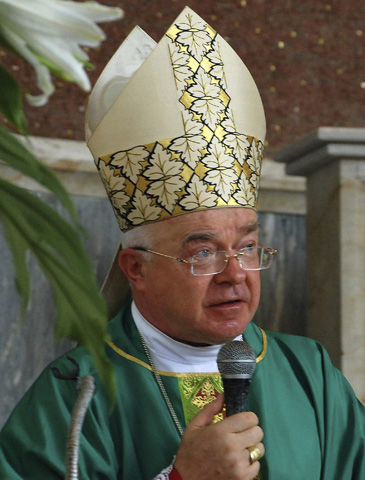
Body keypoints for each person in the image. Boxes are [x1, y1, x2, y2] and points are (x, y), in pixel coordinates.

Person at [0, 7, 364, 480]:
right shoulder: (75, 393)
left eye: (248, 248)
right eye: (204, 253)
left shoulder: (310, 375)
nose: (235, 275)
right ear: (136, 269)